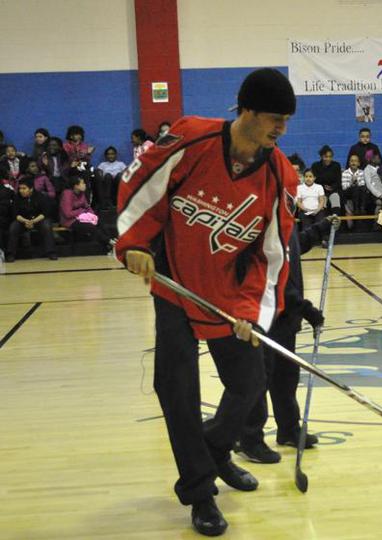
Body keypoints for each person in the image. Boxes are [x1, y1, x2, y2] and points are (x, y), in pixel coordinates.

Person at [115, 68, 298, 536]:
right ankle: (200, 492)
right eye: (274, 118)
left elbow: (274, 255)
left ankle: (215, 452)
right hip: (175, 285)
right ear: (247, 111)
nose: (281, 129)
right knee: (176, 389)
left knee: (250, 383)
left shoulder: (279, 173)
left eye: (286, 121)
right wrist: (133, 243)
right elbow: (141, 190)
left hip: (228, 294)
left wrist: (252, 316)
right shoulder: (190, 139)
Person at [234, 217, 334, 463]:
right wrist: (306, 309)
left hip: (286, 320)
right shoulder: (266, 225)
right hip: (265, 317)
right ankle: (249, 439)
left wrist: (321, 228)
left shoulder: (285, 224)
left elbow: (296, 245)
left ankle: (289, 429)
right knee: (260, 379)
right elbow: (278, 282)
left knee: (286, 378)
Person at [6, 178, 55, 262]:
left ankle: (51, 252)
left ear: (31, 189)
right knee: (14, 227)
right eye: (20, 188)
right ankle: (10, 254)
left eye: (24, 188)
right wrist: (26, 221)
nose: (21, 191)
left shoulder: (40, 196)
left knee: (46, 225)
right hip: (22, 221)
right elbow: (15, 214)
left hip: (38, 220)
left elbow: (45, 213)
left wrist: (33, 221)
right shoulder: (17, 198)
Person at [59, 176, 112, 252]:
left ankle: (110, 242)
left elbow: (87, 207)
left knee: (99, 222)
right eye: (82, 183)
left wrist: (92, 216)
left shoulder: (81, 194)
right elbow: (67, 213)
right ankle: (110, 243)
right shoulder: (67, 194)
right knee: (91, 227)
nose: (85, 185)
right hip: (70, 221)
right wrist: (81, 211)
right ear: (76, 186)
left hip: (82, 218)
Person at [311, 145, 342, 211]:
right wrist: (323, 187)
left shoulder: (336, 165)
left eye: (330, 157)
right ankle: (323, 219)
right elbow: (315, 181)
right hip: (320, 191)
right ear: (321, 156)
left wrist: (332, 188)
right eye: (326, 157)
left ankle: (335, 218)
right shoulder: (315, 166)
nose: (328, 159)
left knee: (335, 198)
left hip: (333, 190)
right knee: (323, 200)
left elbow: (338, 181)